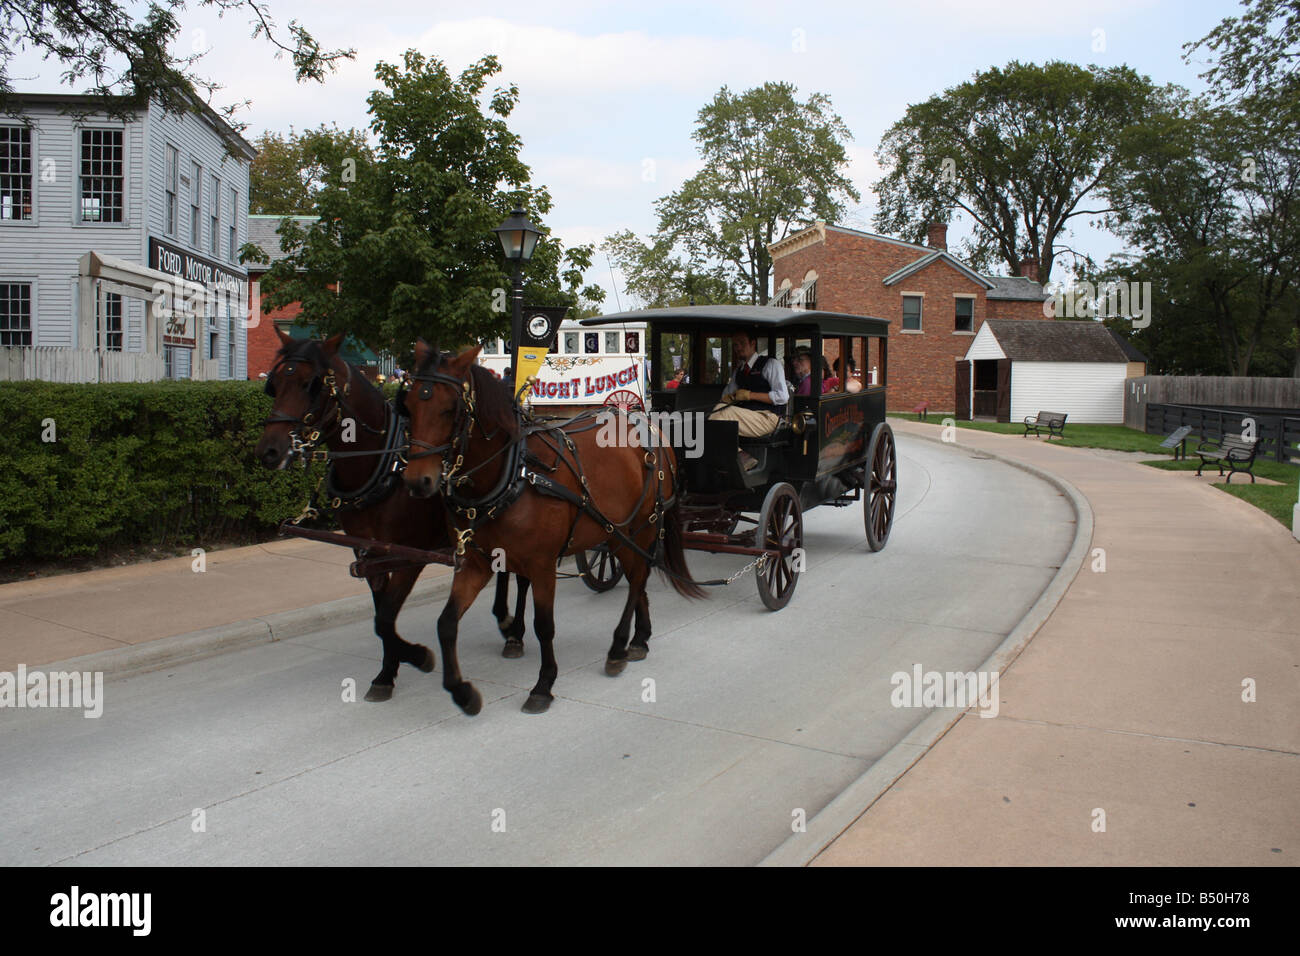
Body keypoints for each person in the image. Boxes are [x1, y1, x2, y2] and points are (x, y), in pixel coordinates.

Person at [709, 330, 788, 470]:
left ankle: (741, 457)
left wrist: (750, 395)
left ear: (753, 344)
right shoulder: (739, 371)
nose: (738, 348)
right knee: (718, 411)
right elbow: (726, 395)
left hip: (769, 417)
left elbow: (782, 397)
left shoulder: (770, 364)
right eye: (735, 345)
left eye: (742, 343)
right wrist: (730, 397)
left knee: (722, 414)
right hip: (749, 416)